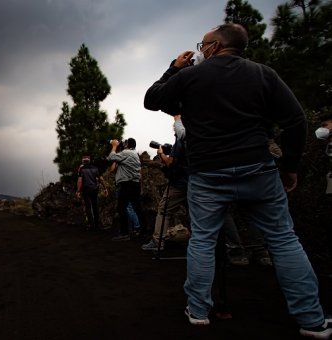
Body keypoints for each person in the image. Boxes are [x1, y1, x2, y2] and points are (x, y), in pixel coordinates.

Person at [144, 23, 330, 338]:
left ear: (215, 46)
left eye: (202, 45)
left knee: (202, 241)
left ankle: (199, 311)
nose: (199, 51)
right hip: (258, 168)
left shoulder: (190, 77)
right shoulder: (263, 74)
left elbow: (153, 99)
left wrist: (173, 69)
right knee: (284, 240)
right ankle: (311, 320)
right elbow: (296, 120)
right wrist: (289, 166)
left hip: (207, 173)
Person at [142, 115, 188, 252]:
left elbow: (170, 163)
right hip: (196, 182)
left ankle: (157, 242)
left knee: (163, 210)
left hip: (179, 183)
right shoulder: (195, 139)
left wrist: (162, 154)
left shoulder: (180, 141)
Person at [106, 138, 147, 240]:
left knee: (121, 208)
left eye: (125, 143)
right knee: (137, 207)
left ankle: (124, 233)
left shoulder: (127, 153)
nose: (123, 144)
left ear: (127, 144)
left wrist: (114, 146)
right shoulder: (134, 154)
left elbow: (111, 157)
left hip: (126, 184)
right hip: (134, 184)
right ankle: (143, 231)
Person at [76, 155, 109, 231]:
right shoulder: (95, 168)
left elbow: (80, 181)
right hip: (94, 189)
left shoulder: (82, 169)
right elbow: (101, 179)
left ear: (83, 161)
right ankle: (97, 224)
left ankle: (91, 225)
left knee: (88, 207)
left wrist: (78, 191)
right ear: (89, 161)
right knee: (95, 206)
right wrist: (105, 188)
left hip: (86, 189)